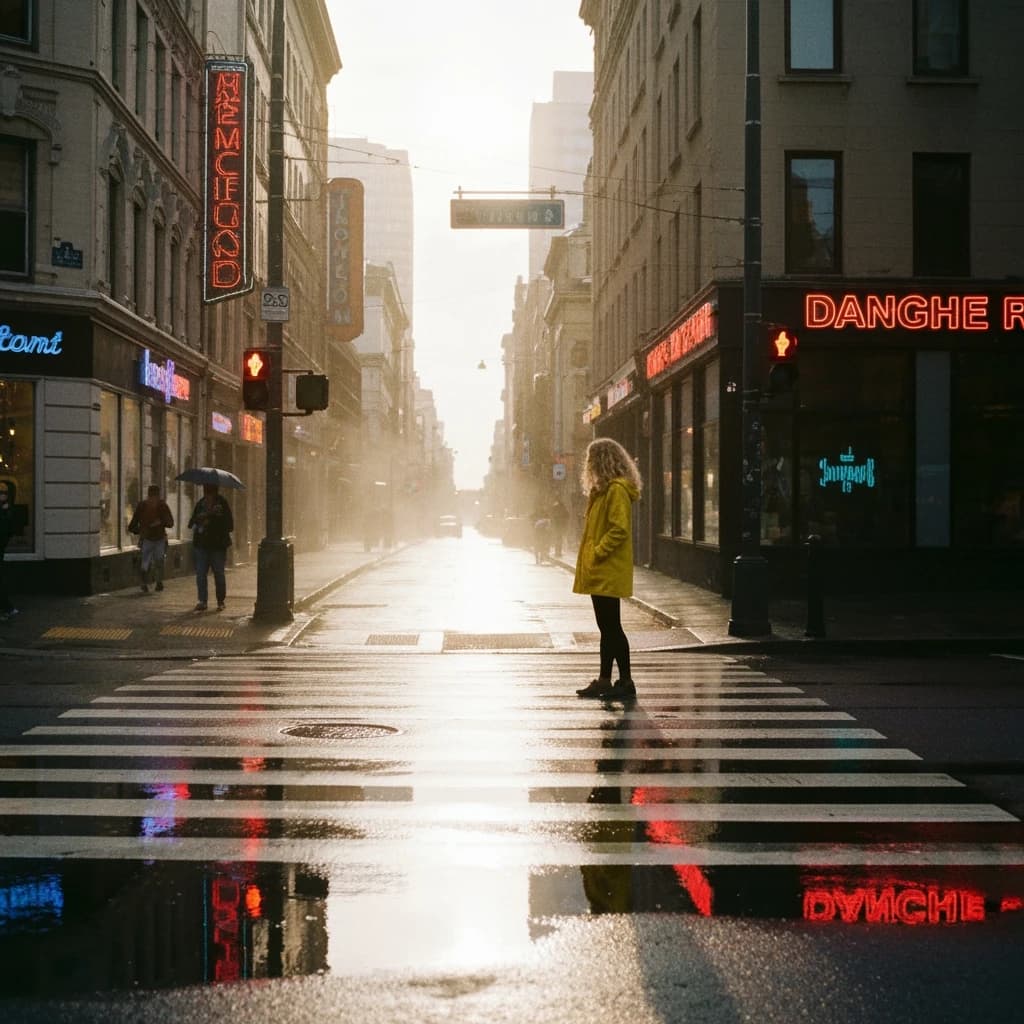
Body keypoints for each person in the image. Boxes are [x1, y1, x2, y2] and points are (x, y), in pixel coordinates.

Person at [572, 438, 642, 699]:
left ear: (601, 461)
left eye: (591, 460)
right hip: (602, 569)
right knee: (607, 627)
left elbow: (619, 529)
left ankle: (625, 681)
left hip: (608, 569)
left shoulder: (616, 491)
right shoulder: (603, 492)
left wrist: (598, 553)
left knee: (612, 627)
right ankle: (605, 679)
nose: (588, 466)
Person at [187, 484, 233, 612]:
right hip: (201, 545)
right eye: (206, 495)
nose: (207, 498)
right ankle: (202, 601)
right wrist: (200, 519)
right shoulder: (200, 504)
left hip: (217, 546)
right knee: (201, 574)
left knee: (218, 574)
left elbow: (230, 525)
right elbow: (191, 523)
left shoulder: (222, 504)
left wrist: (214, 520)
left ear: (215, 494)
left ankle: (220, 601)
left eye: (210, 495)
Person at [128, 485, 174, 593]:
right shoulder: (145, 506)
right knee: (149, 562)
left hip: (157, 539)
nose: (153, 500)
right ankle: (149, 583)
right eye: (152, 497)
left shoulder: (160, 506)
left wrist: (160, 522)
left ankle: (156, 582)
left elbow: (170, 522)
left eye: (154, 497)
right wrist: (142, 530)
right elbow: (132, 525)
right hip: (151, 539)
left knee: (155, 560)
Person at [0, 481, 17, 621]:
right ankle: (8, 608)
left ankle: (8, 608)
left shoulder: (8, 510)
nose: (1, 495)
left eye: (4, 493)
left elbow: (6, 529)